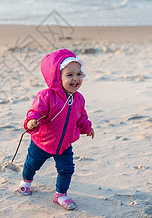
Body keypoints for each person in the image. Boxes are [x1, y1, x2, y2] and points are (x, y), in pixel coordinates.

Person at [18, 49, 95, 210]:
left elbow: (81, 116)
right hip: (42, 142)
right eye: (69, 75)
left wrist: (87, 127)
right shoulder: (46, 96)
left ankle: (60, 194)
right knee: (32, 164)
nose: (75, 78)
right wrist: (32, 121)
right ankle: (26, 181)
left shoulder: (79, 99)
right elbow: (35, 112)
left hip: (64, 145)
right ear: (56, 77)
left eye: (79, 74)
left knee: (67, 169)